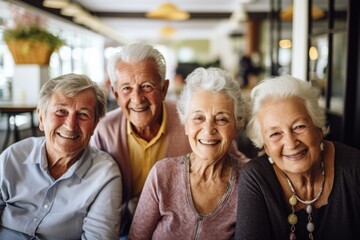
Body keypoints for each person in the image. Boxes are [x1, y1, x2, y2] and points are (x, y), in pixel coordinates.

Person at [90, 43, 247, 236]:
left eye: (147, 86)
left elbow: (231, 157)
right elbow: (92, 188)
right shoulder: (104, 131)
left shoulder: (192, 118)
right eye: (126, 88)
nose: (137, 98)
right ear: (115, 94)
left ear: (164, 89)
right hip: (118, 227)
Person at [234, 75, 360, 240]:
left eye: (299, 127)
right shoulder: (256, 179)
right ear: (265, 146)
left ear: (318, 129)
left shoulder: (354, 168)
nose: (291, 143)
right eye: (275, 134)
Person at [128, 67, 248, 239]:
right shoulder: (163, 174)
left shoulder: (247, 182)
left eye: (221, 119)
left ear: (237, 126)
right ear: (185, 124)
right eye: (198, 118)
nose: (208, 130)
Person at [0, 73, 122, 240]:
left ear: (94, 125)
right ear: (41, 117)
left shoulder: (104, 174)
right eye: (61, 111)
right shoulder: (13, 157)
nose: (71, 125)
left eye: (83, 114)